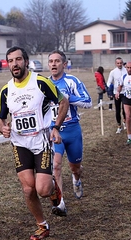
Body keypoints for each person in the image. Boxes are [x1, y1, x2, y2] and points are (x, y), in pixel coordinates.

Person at [0, 46, 69, 240]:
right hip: (19, 143)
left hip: (41, 141)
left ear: (26, 61)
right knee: (28, 189)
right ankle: (42, 226)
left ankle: (54, 189)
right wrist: (2, 128)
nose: (15, 64)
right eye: (10, 61)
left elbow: (63, 102)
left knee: (42, 190)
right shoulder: (5, 91)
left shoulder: (41, 82)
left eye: (18, 59)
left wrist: (56, 127)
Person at [48, 50, 92, 217]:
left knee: (75, 167)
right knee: (56, 166)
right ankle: (60, 203)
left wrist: (66, 98)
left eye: (57, 61)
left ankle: (76, 179)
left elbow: (88, 102)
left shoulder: (72, 81)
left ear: (64, 64)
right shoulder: (44, 84)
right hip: (55, 131)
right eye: (51, 61)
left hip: (72, 130)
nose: (53, 64)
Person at [107, 57, 127, 134]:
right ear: (115, 64)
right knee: (117, 110)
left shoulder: (126, 70)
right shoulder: (113, 72)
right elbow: (109, 82)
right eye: (118, 63)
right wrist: (110, 88)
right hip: (116, 93)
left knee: (125, 109)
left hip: (125, 92)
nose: (119, 64)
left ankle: (125, 122)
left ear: (122, 63)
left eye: (120, 63)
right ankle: (119, 126)